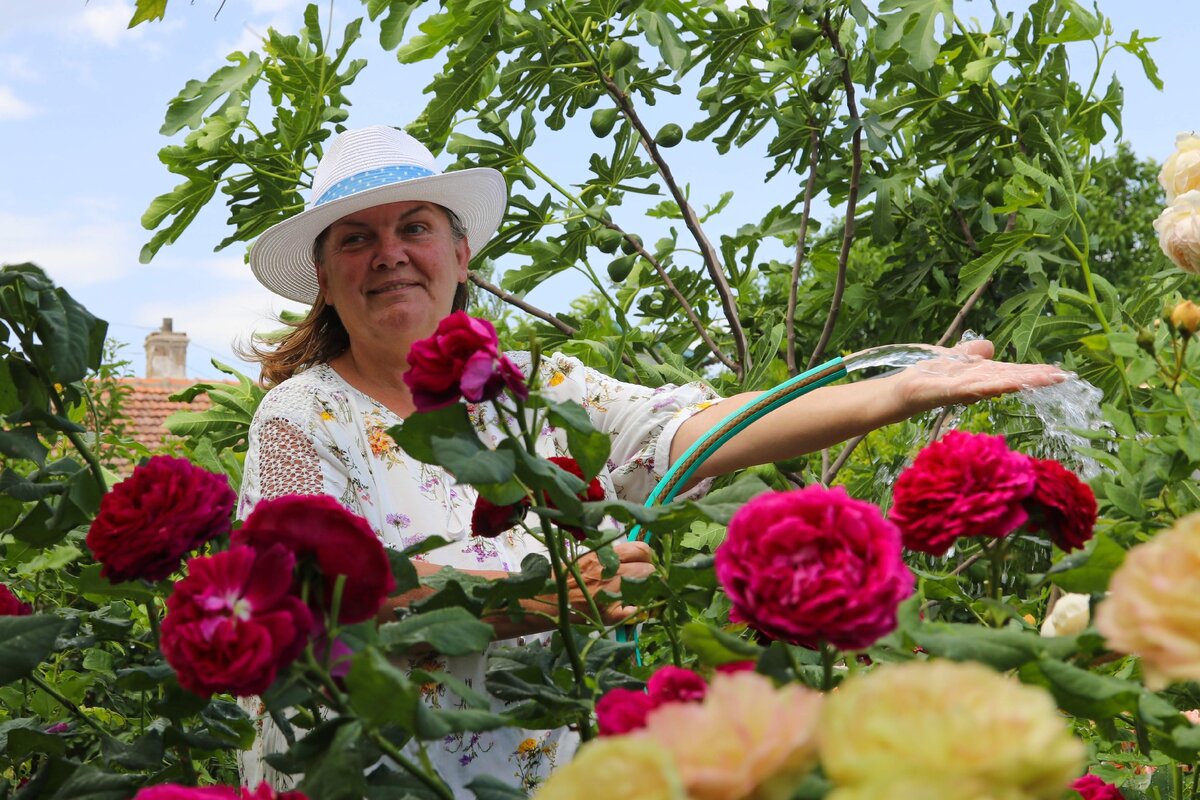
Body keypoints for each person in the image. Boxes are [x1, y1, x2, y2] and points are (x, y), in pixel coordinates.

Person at [235, 125, 1064, 794]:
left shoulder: (527, 383)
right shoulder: (303, 416)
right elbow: (311, 612)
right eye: (357, 239)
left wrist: (895, 390)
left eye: (414, 226)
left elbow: (684, 428)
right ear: (324, 276)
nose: (389, 253)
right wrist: (536, 599)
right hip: (376, 777)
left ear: (461, 255)